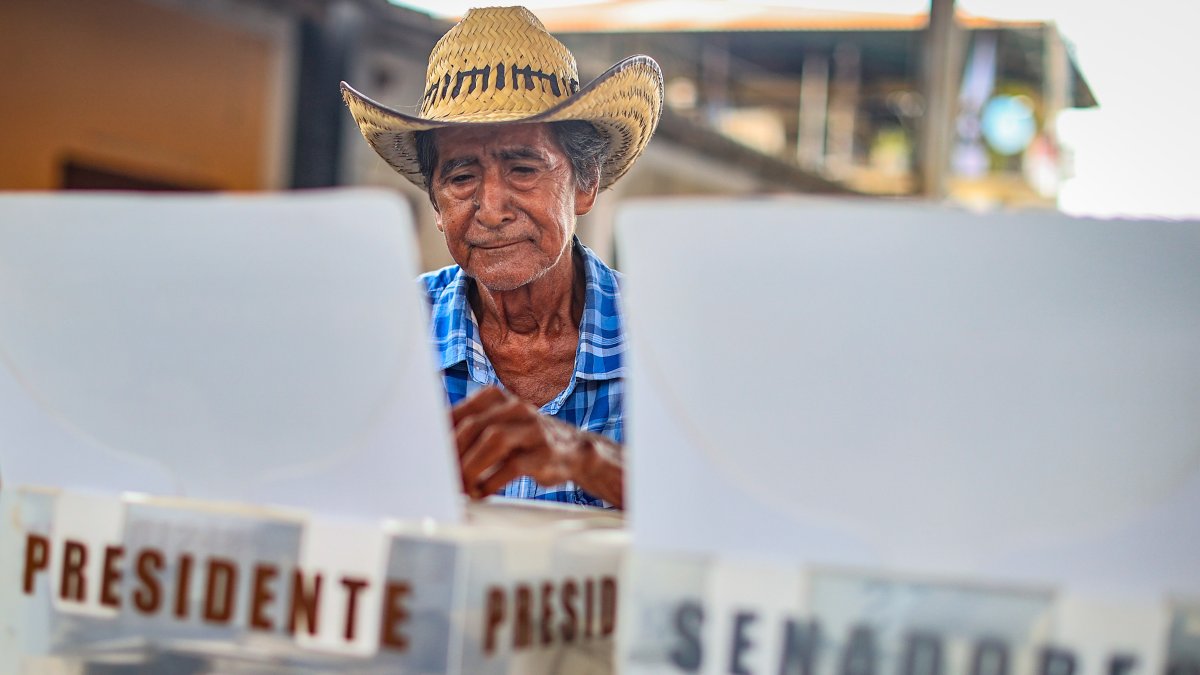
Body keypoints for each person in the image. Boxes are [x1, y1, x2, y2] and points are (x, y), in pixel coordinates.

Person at [341, 6, 663, 508]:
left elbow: (728, 517)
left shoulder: (665, 332)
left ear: (585, 183)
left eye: (522, 169)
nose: (490, 210)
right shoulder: (389, 331)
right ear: (437, 204)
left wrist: (590, 461)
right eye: (462, 177)